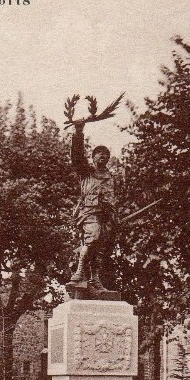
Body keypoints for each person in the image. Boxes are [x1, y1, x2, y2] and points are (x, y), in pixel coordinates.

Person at [69, 121, 116, 291]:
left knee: (99, 249)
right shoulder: (86, 172)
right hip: (88, 212)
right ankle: (79, 272)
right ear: (93, 157)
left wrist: (113, 217)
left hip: (105, 216)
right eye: (99, 154)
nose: (103, 156)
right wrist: (79, 132)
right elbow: (76, 156)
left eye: (106, 154)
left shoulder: (111, 178)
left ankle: (94, 278)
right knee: (93, 237)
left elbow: (111, 198)